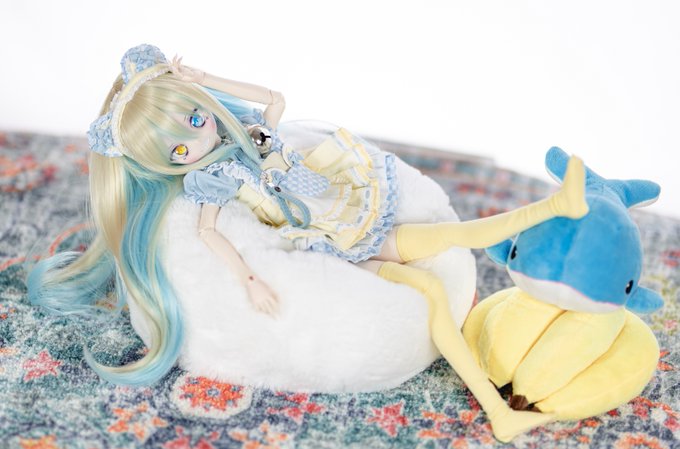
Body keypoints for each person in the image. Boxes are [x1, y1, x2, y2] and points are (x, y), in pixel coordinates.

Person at [28, 44, 588, 442]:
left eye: (196, 118)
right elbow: (208, 233)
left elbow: (275, 98)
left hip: (346, 209)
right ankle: (500, 407)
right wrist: (249, 278)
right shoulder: (209, 182)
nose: (198, 138)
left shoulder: (252, 133)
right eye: (177, 149)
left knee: (446, 248)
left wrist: (205, 78)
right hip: (329, 242)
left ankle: (554, 209)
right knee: (436, 277)